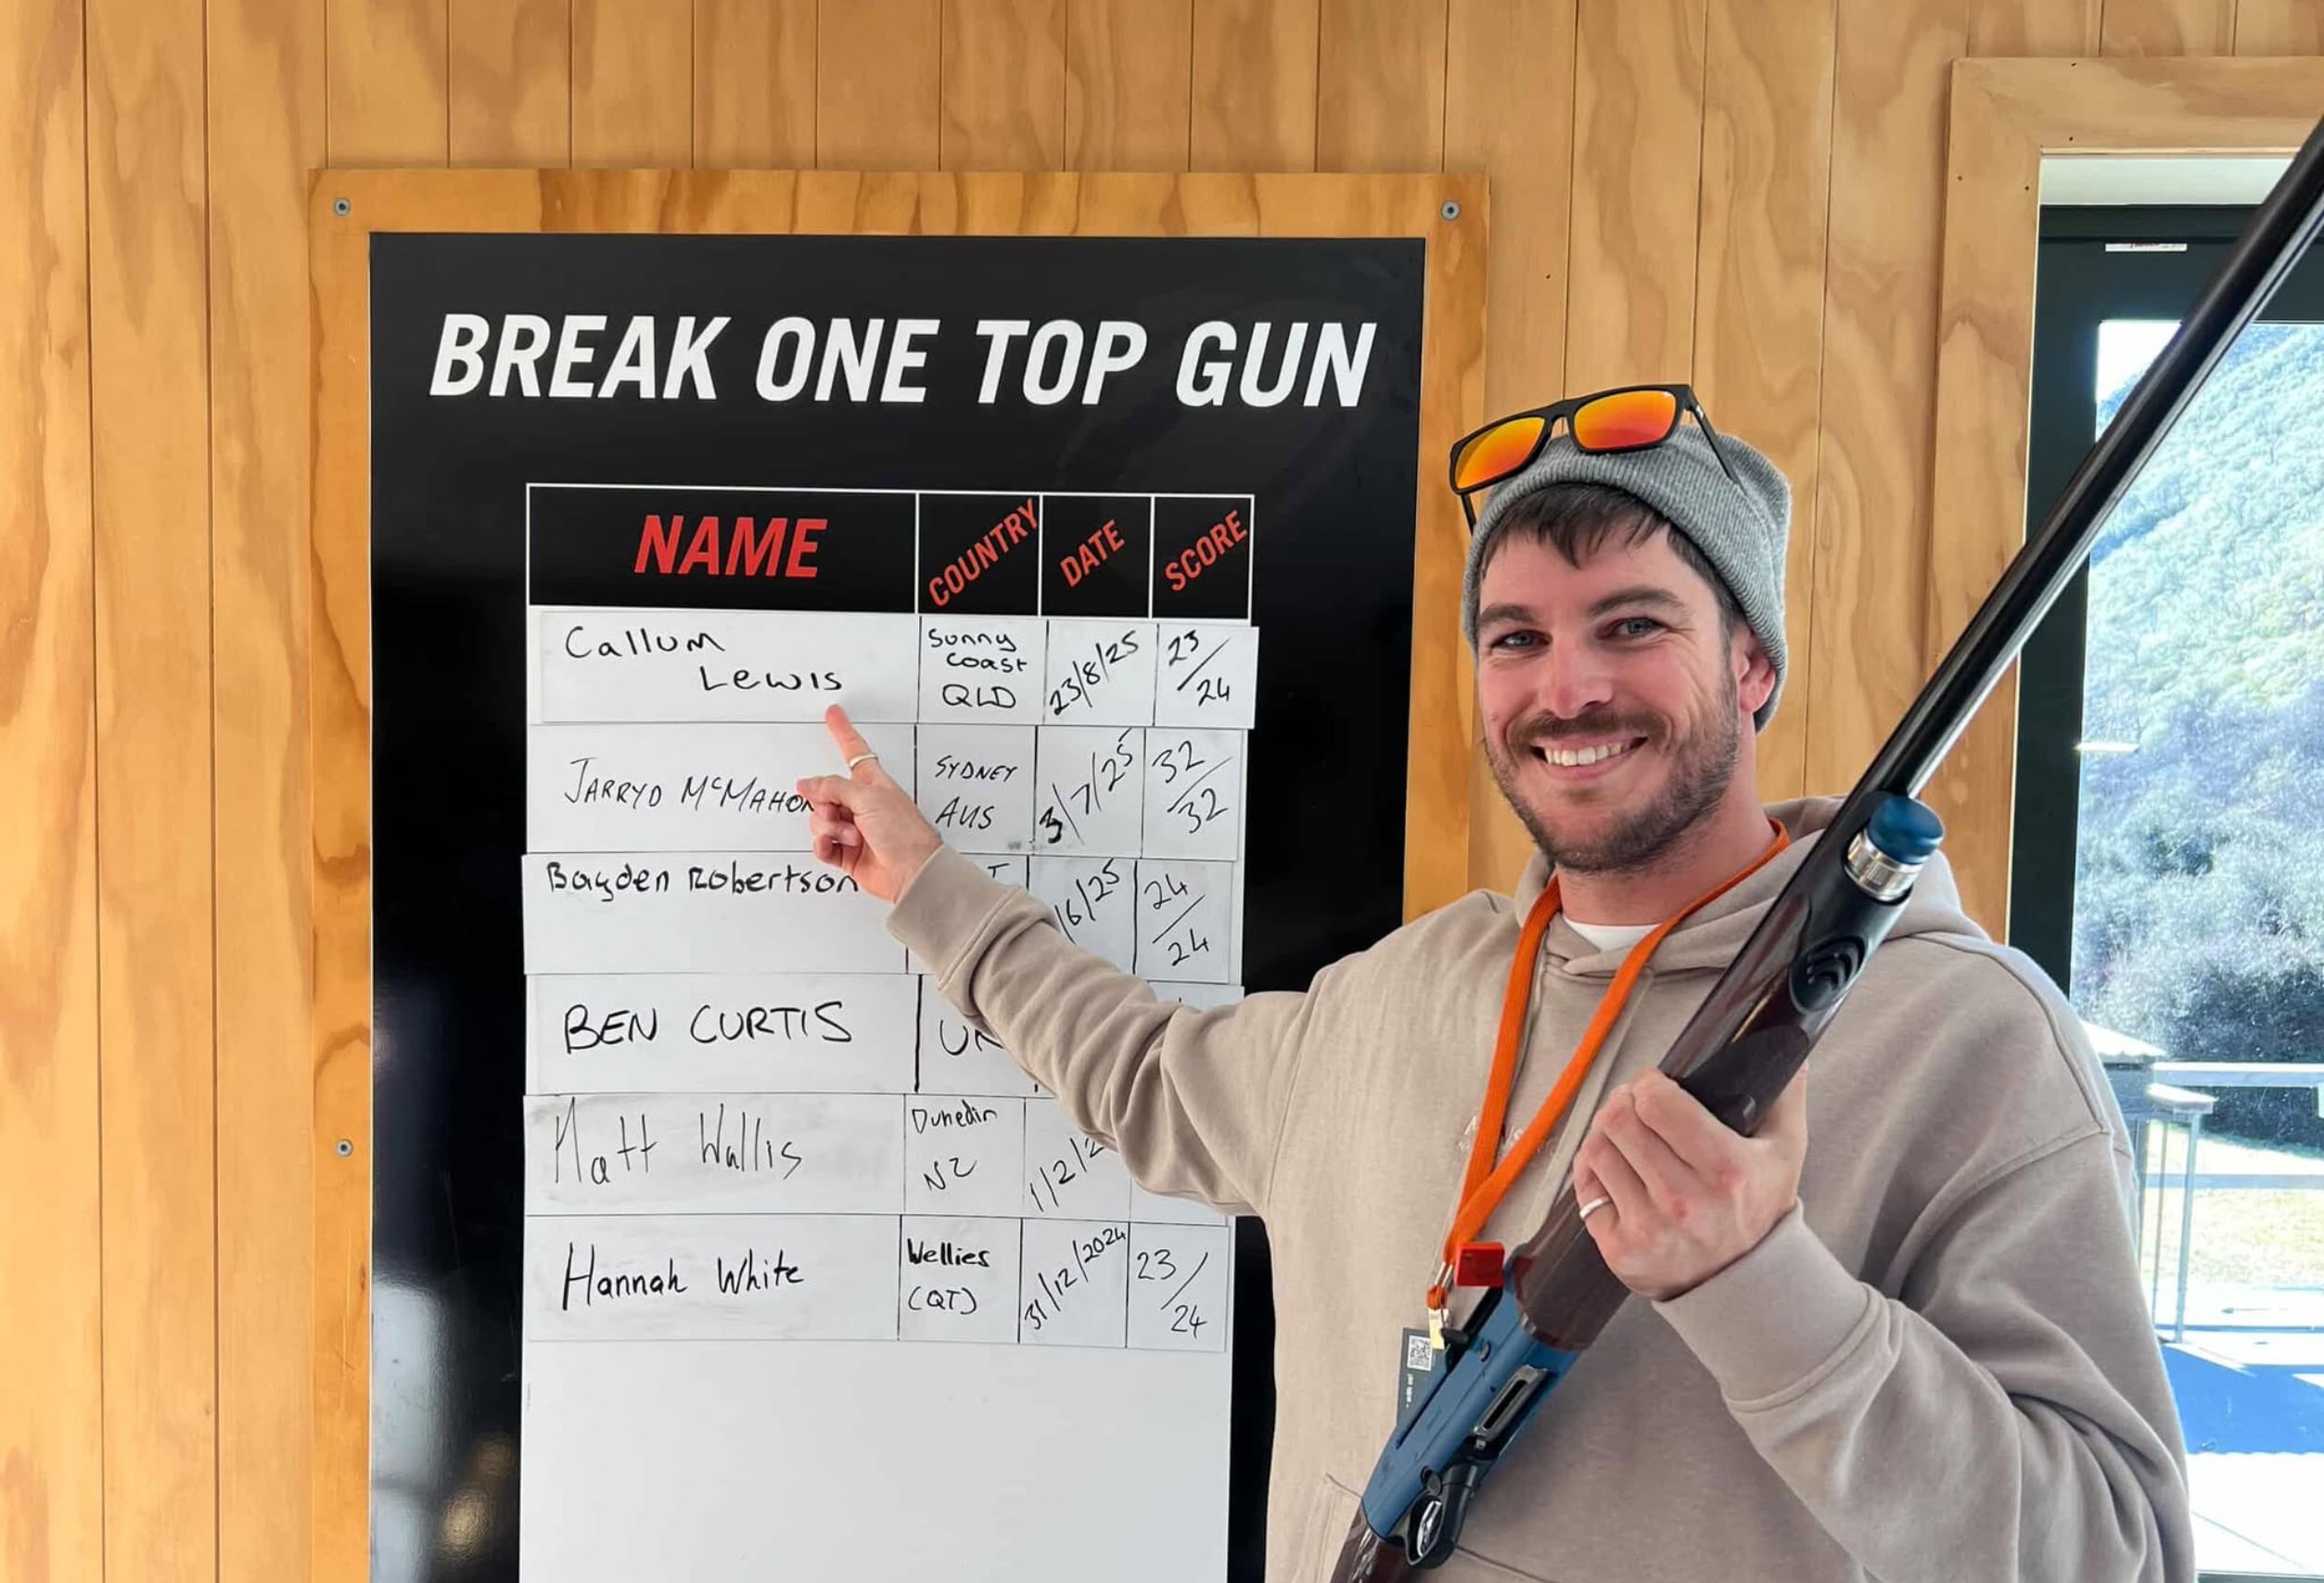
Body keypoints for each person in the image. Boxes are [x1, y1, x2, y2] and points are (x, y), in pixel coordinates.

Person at [797, 386, 2193, 1583]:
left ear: (1750, 661)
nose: (1565, 688)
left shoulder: (1964, 1036)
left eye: (1631, 625)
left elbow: (2112, 1552)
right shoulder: (1411, 984)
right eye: (1515, 637)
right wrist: (933, 894)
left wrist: (1763, 1285)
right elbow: (1152, 1081)